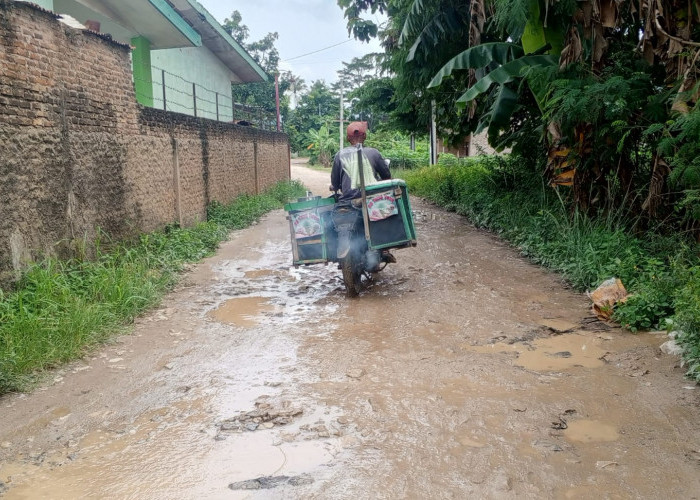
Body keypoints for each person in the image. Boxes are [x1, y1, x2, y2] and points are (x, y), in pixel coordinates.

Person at [330, 121, 391, 201]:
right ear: (365, 136)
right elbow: (386, 177)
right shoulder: (374, 153)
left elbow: (335, 183)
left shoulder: (340, 155)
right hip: (372, 199)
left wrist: (334, 186)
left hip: (348, 200)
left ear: (347, 138)